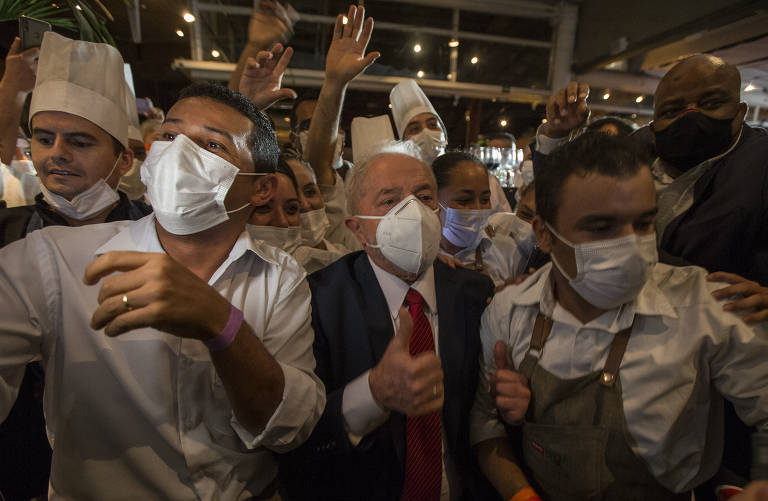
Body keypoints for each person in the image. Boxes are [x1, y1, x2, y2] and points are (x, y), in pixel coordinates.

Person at [0, 81, 325, 499]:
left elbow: (289, 429)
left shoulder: (279, 278)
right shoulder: (53, 260)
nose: (178, 154)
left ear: (260, 188)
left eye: (211, 145)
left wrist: (222, 325)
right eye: (169, 136)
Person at [471, 132, 768, 500]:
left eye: (643, 223)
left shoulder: (707, 304)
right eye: (602, 227)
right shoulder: (510, 310)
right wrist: (521, 494)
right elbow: (485, 427)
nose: (631, 244)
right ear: (545, 235)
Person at [279, 141, 496, 501]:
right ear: (358, 229)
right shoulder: (319, 301)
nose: (412, 211)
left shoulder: (475, 293)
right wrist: (372, 394)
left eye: (424, 197)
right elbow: (298, 435)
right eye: (390, 200)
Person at [390, 79, 512, 213]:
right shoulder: (398, 188)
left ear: (445, 135)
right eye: (414, 129)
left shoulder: (481, 179)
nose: (426, 132)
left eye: (432, 125)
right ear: (403, 142)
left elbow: (505, 224)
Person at [434, 151, 529, 286]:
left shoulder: (508, 252)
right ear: (434, 200)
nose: (478, 209)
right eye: (464, 200)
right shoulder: (417, 257)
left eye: (485, 200)